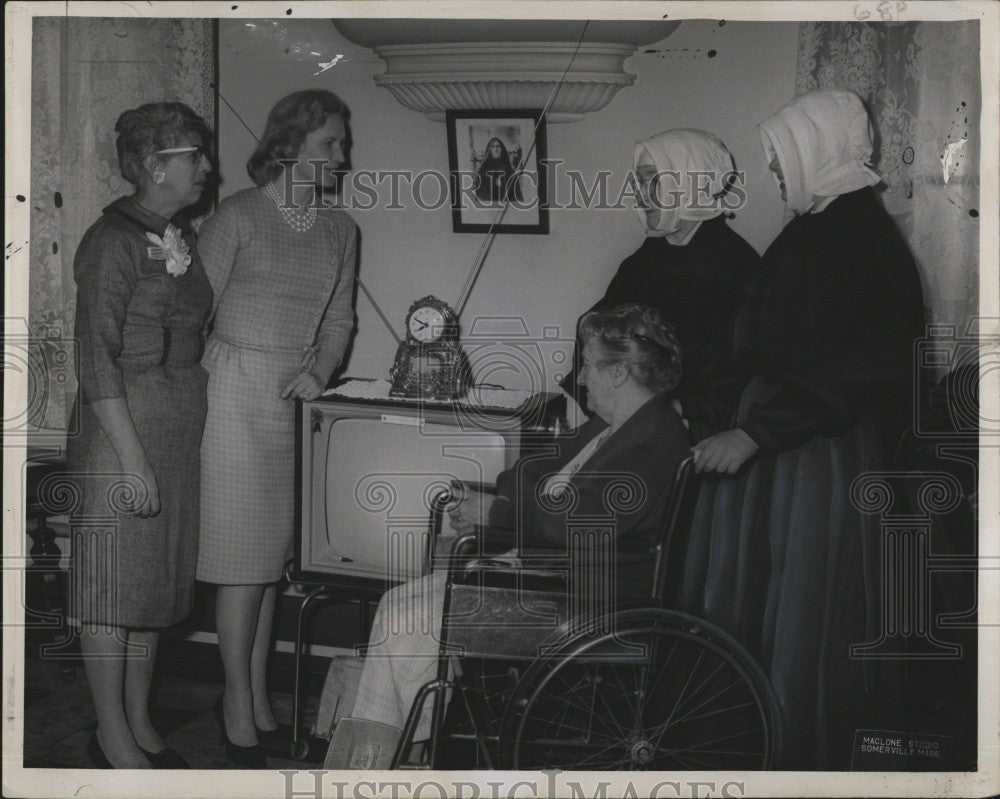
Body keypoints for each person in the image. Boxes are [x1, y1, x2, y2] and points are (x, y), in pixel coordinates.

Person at [323, 304, 690, 769]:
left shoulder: (654, 441)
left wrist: (500, 509)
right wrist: (507, 505)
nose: (581, 379)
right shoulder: (609, 429)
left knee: (407, 626)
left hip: (585, 601)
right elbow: (526, 471)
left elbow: (569, 521)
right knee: (396, 606)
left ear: (618, 372)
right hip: (548, 576)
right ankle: (397, 761)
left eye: (589, 365)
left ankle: (375, 769)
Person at [683, 89, 927, 769]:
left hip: (814, 453)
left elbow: (847, 369)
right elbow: (750, 335)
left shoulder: (853, 236)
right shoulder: (817, 225)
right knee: (764, 600)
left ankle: (798, 760)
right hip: (785, 442)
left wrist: (755, 433)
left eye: (779, 159)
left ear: (816, 151)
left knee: (807, 610)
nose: (773, 173)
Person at [195, 89, 358, 767]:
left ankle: (256, 696)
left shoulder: (341, 229)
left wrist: (320, 371)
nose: (342, 158)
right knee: (240, 565)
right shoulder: (236, 216)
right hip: (231, 395)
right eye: (331, 145)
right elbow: (192, 311)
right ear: (289, 146)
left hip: (295, 402)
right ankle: (236, 704)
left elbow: (341, 320)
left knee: (269, 566)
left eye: (344, 145)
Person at [68, 102, 214, 769]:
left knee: (152, 584)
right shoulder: (111, 241)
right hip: (119, 436)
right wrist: (132, 460)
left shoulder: (175, 232)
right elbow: (96, 356)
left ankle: (136, 717)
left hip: (174, 434)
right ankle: (110, 730)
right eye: (195, 157)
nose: (207, 168)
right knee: (110, 588)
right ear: (157, 166)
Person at [563, 129, 759, 443]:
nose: (640, 195)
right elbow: (594, 327)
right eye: (638, 183)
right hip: (624, 420)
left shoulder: (734, 266)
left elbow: (731, 373)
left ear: (689, 182)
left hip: (687, 430)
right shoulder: (649, 255)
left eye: (653, 181)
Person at [475, 136, 522, 204]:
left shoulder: (506, 166)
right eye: (493, 147)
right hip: (489, 202)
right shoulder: (484, 167)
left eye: (498, 146)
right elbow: (479, 187)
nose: (496, 149)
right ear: (490, 149)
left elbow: (514, 186)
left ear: (501, 148)